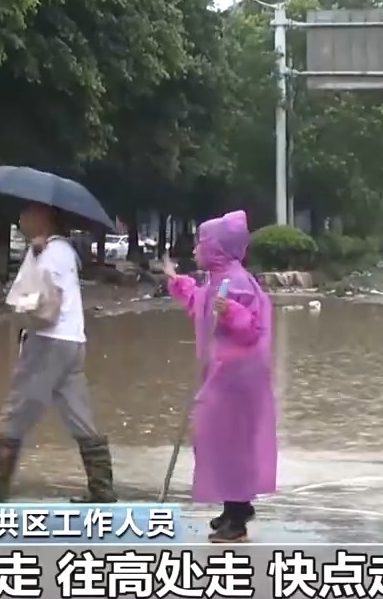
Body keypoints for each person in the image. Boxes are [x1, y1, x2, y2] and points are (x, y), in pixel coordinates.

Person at [0, 202, 117, 503]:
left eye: (26, 213)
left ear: (44, 217)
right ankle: (102, 489)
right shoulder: (64, 250)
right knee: (78, 412)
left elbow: (40, 296)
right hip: (73, 341)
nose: (20, 219)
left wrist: (36, 258)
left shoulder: (49, 252)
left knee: (17, 409)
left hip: (48, 340)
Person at [163, 210, 277, 542]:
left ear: (217, 248)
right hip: (222, 373)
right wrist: (177, 280)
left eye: (201, 243)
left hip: (237, 376)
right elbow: (200, 302)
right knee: (216, 438)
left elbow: (251, 328)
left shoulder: (237, 282)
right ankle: (234, 506)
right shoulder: (217, 279)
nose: (196, 249)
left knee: (231, 441)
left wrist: (231, 312)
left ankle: (237, 517)